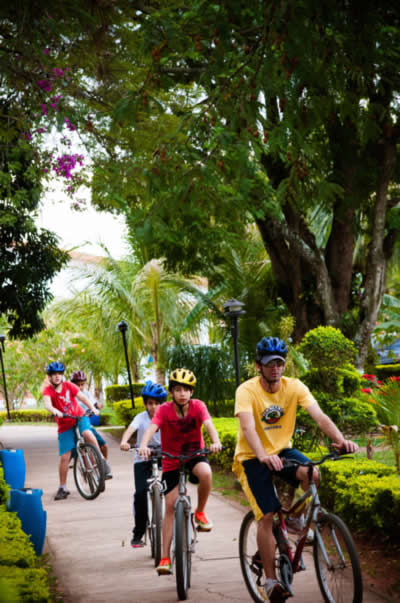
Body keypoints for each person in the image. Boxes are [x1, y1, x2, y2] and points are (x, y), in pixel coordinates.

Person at [232, 337, 359, 602]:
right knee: (266, 515)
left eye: (279, 363)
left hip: (282, 451)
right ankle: (269, 581)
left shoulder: (295, 387)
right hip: (251, 457)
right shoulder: (246, 390)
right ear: (259, 366)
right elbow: (247, 428)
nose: (275, 368)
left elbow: (320, 416)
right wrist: (263, 455)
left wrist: (341, 439)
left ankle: (296, 519)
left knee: (313, 473)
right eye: (269, 364)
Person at [138, 368, 222, 575]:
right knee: (169, 506)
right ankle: (165, 557)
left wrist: (216, 441)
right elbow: (151, 428)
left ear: (191, 392)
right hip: (172, 461)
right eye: (177, 389)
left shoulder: (198, 406)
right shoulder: (164, 410)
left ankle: (200, 512)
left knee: (206, 473)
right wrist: (144, 445)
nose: (182, 393)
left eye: (186, 389)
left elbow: (209, 425)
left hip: (195, 455)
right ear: (172, 392)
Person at [42, 361, 112, 500]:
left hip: (79, 416)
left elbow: (82, 397)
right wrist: (55, 411)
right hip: (64, 425)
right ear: (49, 377)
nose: (57, 376)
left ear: (62, 375)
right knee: (65, 457)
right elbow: (47, 404)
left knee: (87, 433)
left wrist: (93, 408)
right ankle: (62, 487)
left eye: (59, 374)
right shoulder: (47, 391)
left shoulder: (69, 386)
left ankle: (101, 460)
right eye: (54, 374)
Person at [120, 380, 168, 547]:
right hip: (142, 457)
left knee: (173, 491)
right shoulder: (140, 418)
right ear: (145, 404)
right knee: (140, 494)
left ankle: (176, 527)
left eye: (156, 403)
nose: (153, 407)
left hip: (165, 455)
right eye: (150, 403)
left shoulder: (167, 416)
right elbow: (131, 429)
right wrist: (125, 442)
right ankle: (138, 533)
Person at [70, 370, 111, 467]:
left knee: (104, 446)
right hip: (74, 425)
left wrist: (97, 406)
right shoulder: (69, 395)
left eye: (82, 384)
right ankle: (82, 464)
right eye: (77, 385)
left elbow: (93, 403)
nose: (80, 387)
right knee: (80, 450)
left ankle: (103, 465)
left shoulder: (86, 394)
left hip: (85, 422)